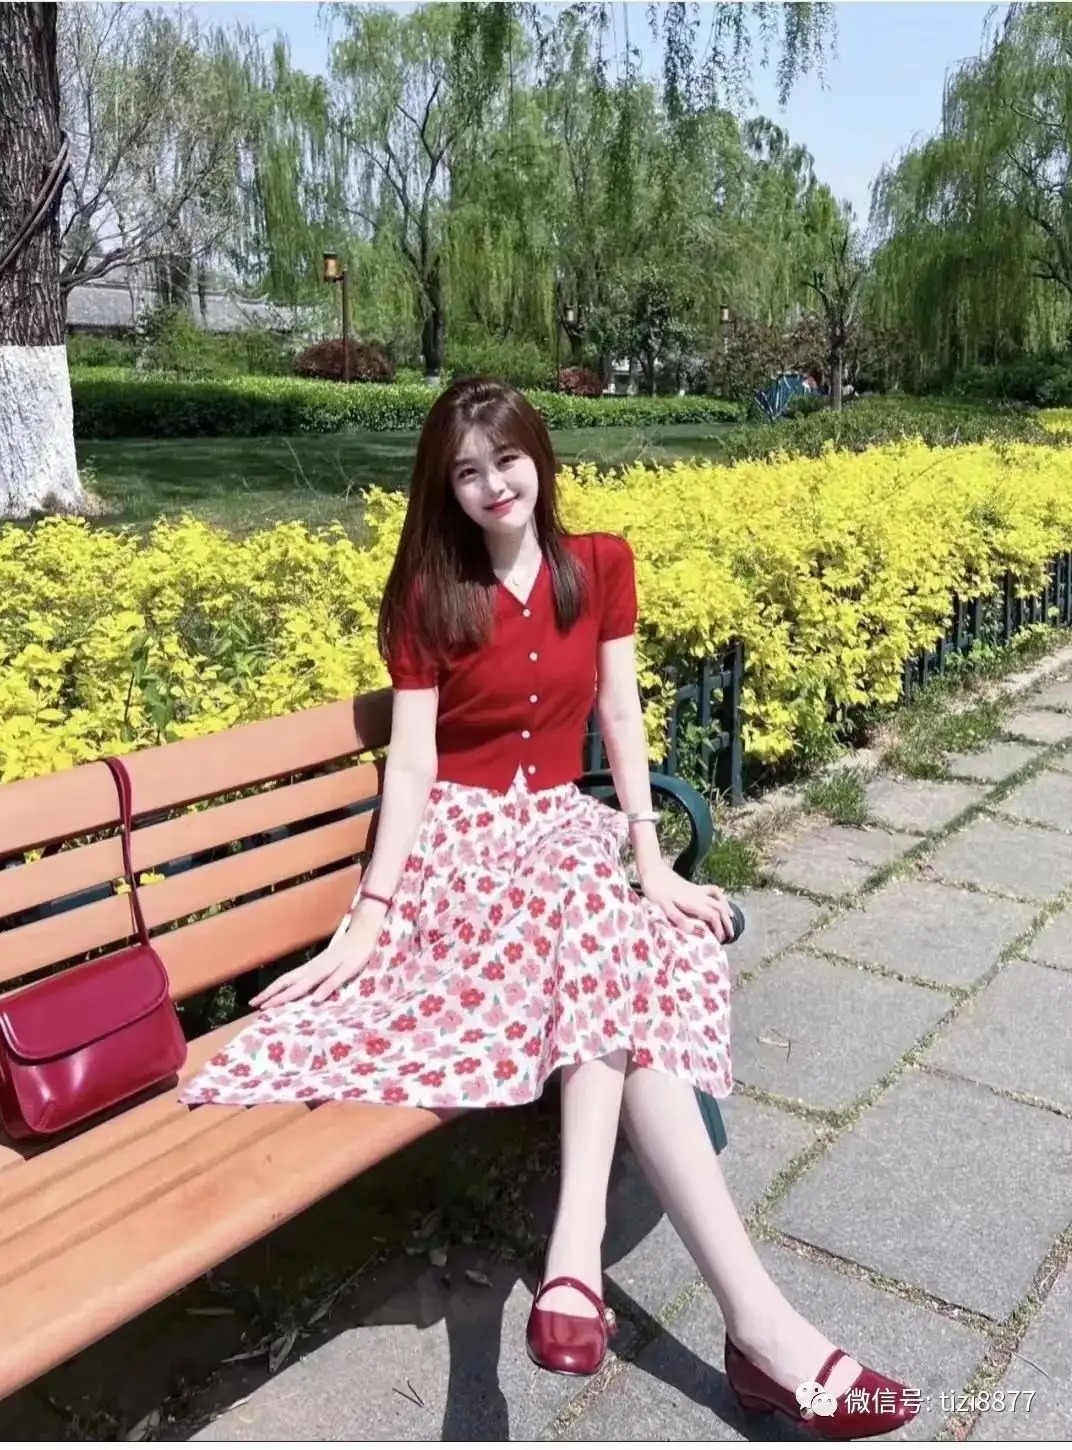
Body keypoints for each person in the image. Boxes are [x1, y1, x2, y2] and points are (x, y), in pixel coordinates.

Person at [180, 378, 916, 1438]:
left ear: (541, 457)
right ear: (445, 487)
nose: (492, 486)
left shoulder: (599, 566)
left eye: (507, 460)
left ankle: (699, 1305)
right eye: (466, 472)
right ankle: (712, 1312)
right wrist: (374, 913)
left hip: (563, 838)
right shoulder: (431, 594)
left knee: (608, 912)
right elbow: (414, 765)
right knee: (608, 926)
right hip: (468, 852)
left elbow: (620, 712)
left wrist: (650, 859)